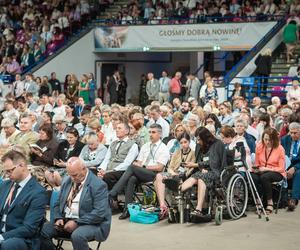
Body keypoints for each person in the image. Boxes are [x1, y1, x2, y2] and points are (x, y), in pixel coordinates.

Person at [40, 157, 111, 250]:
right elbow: (58, 203)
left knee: (78, 236)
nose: (72, 179)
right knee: (41, 231)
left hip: (91, 223)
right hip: (66, 219)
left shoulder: (98, 185)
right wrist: (59, 218)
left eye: (75, 175)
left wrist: (77, 222)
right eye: (70, 175)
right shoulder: (67, 180)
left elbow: (99, 213)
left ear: (84, 169)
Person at [109, 124, 170, 219]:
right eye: (149, 132)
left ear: (160, 134)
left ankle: (113, 193)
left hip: (155, 175)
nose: (150, 134)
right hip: (142, 172)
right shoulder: (145, 146)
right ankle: (127, 209)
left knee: (132, 168)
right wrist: (139, 165)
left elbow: (160, 167)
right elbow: (139, 162)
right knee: (131, 178)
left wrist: (143, 166)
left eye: (153, 132)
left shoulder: (164, 148)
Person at [0, 150, 47, 250]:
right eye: (5, 171)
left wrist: (2, 237)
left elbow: (29, 228)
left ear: (21, 165)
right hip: (2, 232)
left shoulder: (38, 192)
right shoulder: (5, 185)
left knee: (7, 245)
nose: (7, 174)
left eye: (10, 170)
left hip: (21, 238)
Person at [180, 127, 227, 218]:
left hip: (215, 171)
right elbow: (199, 160)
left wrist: (196, 165)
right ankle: (179, 189)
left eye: (199, 139)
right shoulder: (199, 146)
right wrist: (201, 168)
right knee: (196, 177)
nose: (197, 142)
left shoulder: (218, 144)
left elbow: (214, 162)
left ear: (205, 138)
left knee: (201, 178)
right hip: (202, 171)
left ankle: (198, 209)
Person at [154, 132, 196, 218]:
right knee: (158, 176)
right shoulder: (177, 152)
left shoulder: (193, 153)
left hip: (184, 177)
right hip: (173, 174)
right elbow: (170, 167)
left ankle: (165, 208)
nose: (183, 145)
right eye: (181, 143)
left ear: (189, 142)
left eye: (185, 142)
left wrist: (180, 175)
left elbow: (191, 169)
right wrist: (173, 173)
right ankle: (163, 205)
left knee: (157, 182)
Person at [251, 127, 286, 214]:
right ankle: (258, 201)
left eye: (270, 140)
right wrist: (256, 169)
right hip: (262, 171)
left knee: (264, 177)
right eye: (265, 139)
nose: (267, 142)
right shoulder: (259, 146)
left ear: (274, 139)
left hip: (277, 172)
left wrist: (267, 169)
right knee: (253, 177)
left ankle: (269, 203)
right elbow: (257, 163)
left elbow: (281, 168)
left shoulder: (280, 149)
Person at [98, 122, 139, 190]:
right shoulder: (113, 143)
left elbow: (127, 163)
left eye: (119, 128)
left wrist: (110, 171)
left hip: (122, 171)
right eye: (116, 128)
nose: (117, 130)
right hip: (108, 170)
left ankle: (112, 198)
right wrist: (101, 169)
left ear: (126, 131)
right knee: (91, 172)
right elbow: (107, 159)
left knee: (108, 176)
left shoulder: (133, 145)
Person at [281, 122, 300, 211]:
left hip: (298, 165)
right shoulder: (285, 139)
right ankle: (282, 199)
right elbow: (280, 155)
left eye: (295, 133)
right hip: (286, 163)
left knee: (298, 173)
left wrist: (295, 168)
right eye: (291, 132)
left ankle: (293, 199)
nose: (292, 135)